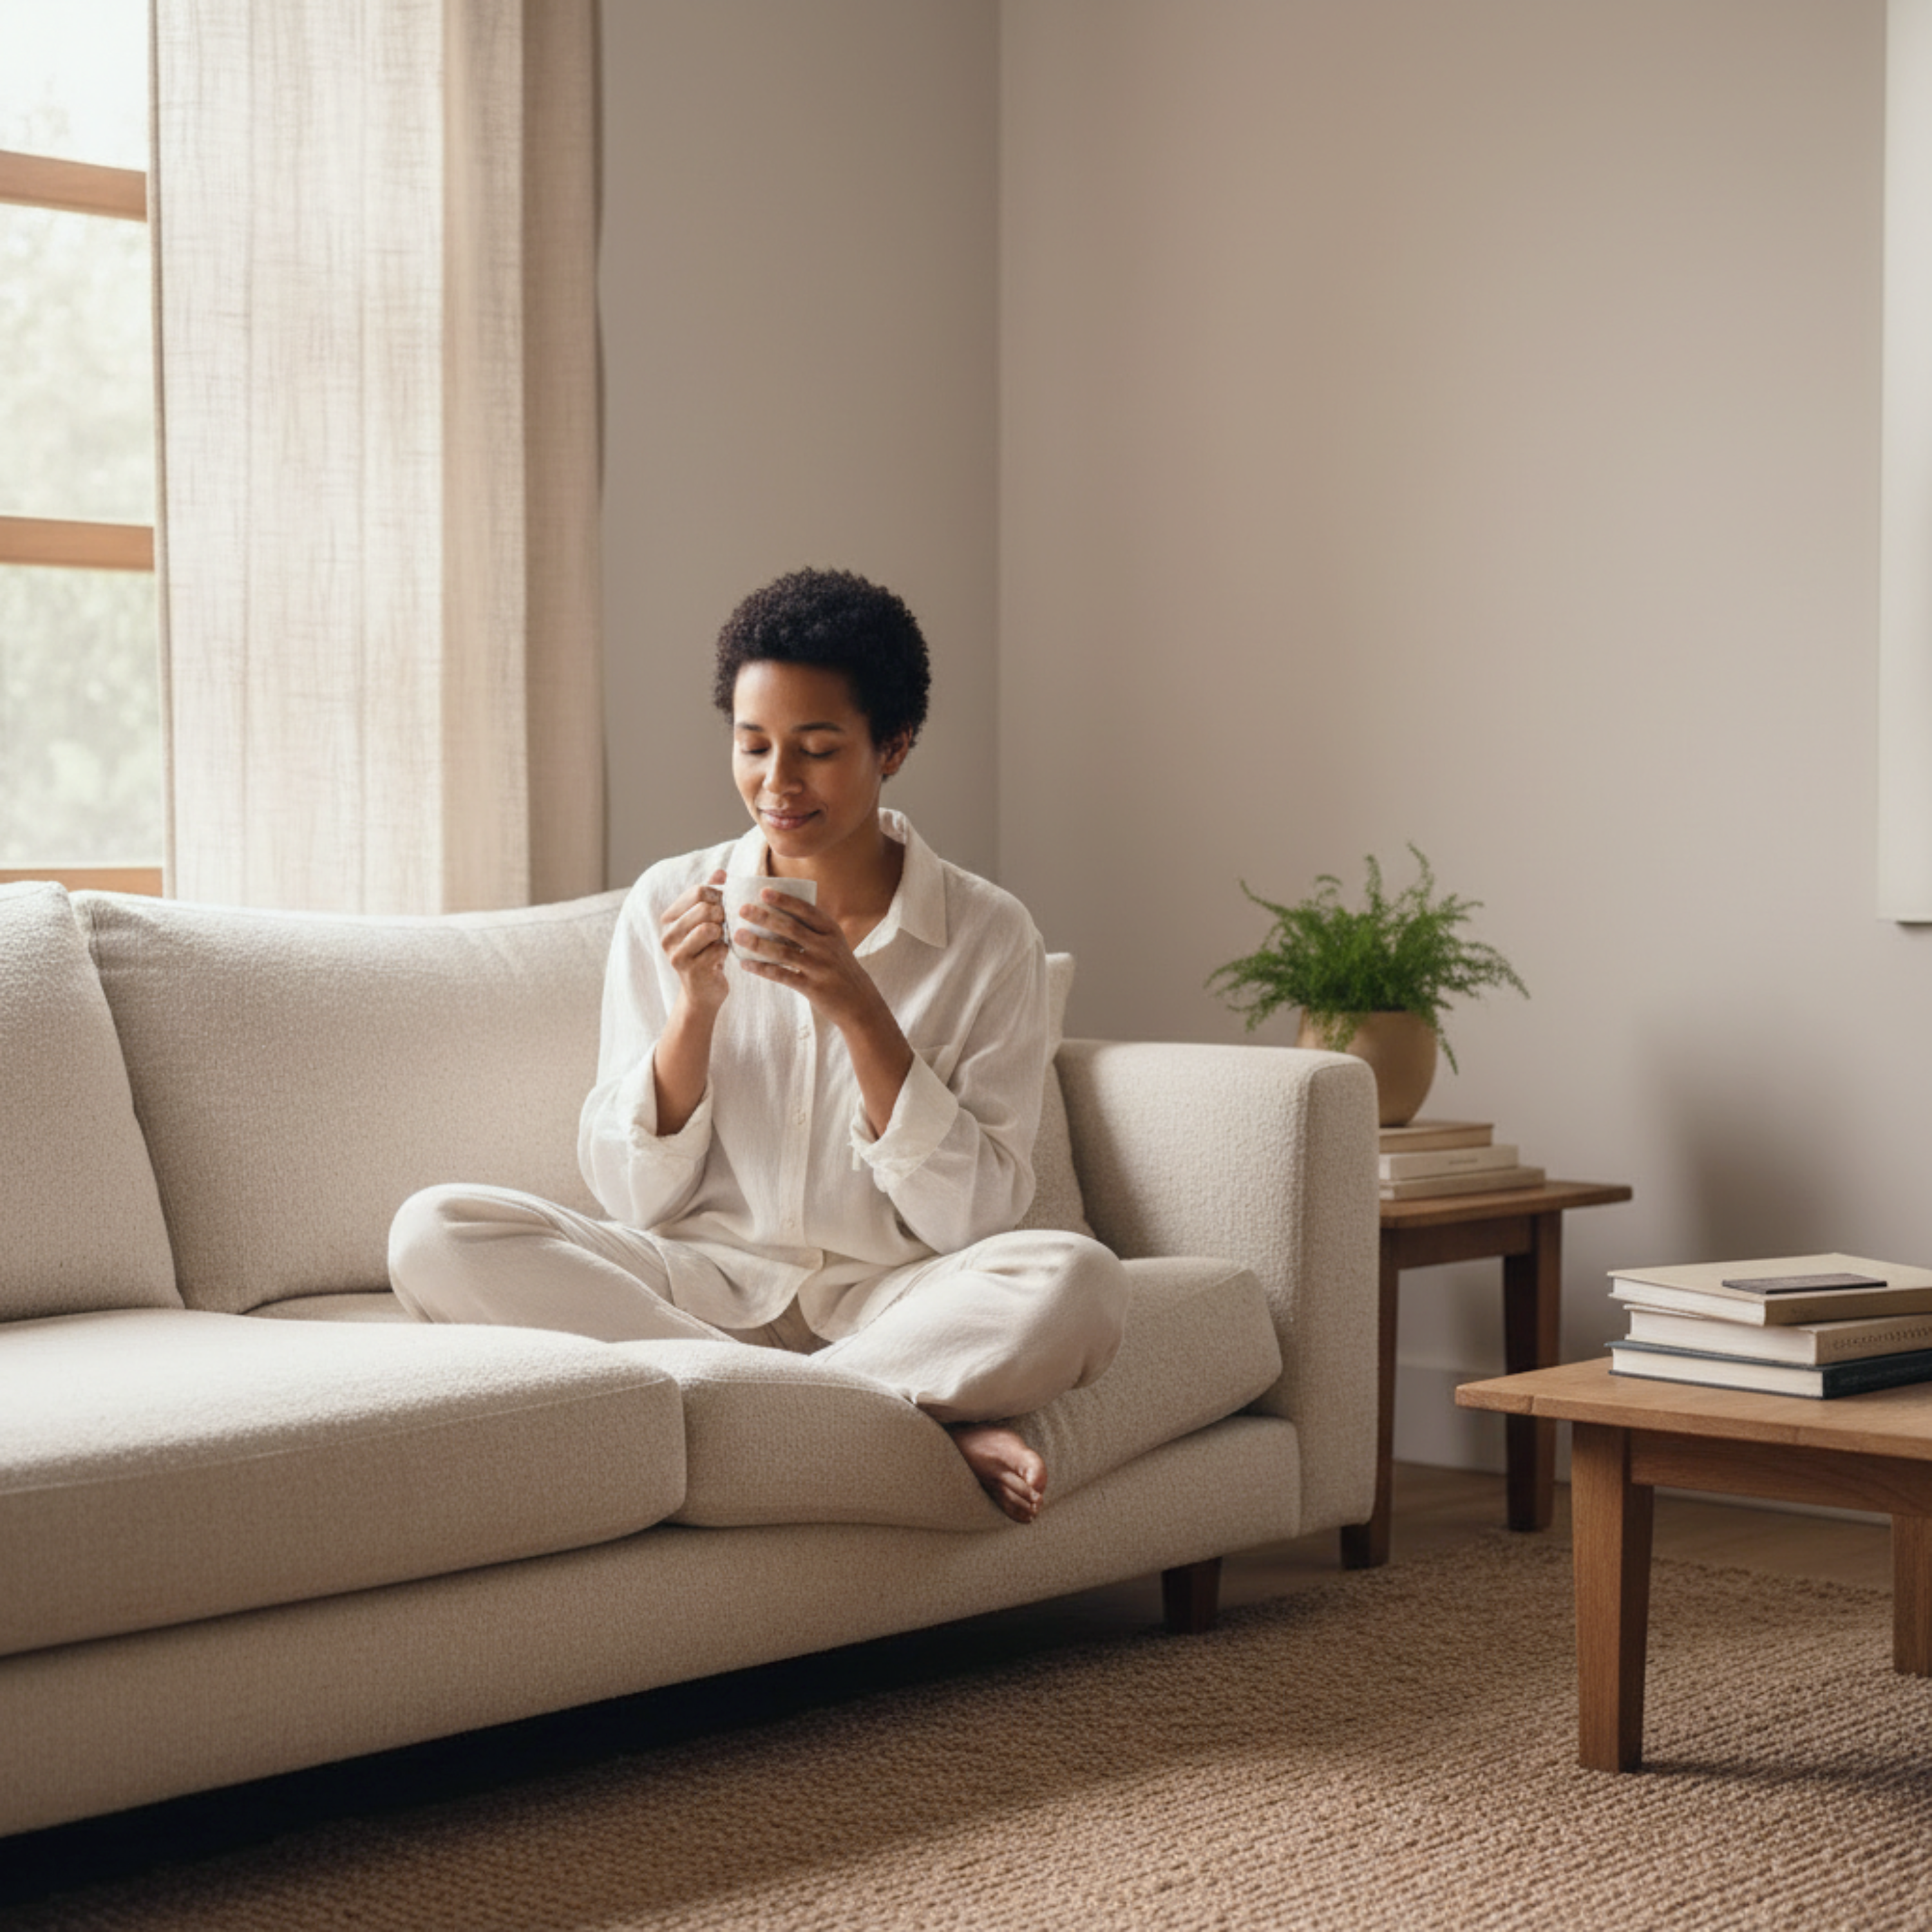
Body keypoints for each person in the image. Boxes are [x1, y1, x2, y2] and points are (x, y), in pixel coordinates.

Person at [388, 567, 1127, 1522]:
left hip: (891, 1297)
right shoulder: (670, 902)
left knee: (1079, 1282)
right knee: (437, 1231)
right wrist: (694, 1014)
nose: (776, 784)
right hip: (700, 1286)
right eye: (753, 745)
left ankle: (765, 1405)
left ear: (893, 746)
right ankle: (904, 1408)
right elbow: (633, 1196)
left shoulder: (990, 937)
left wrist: (862, 1010)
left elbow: (975, 1217)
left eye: (817, 750)